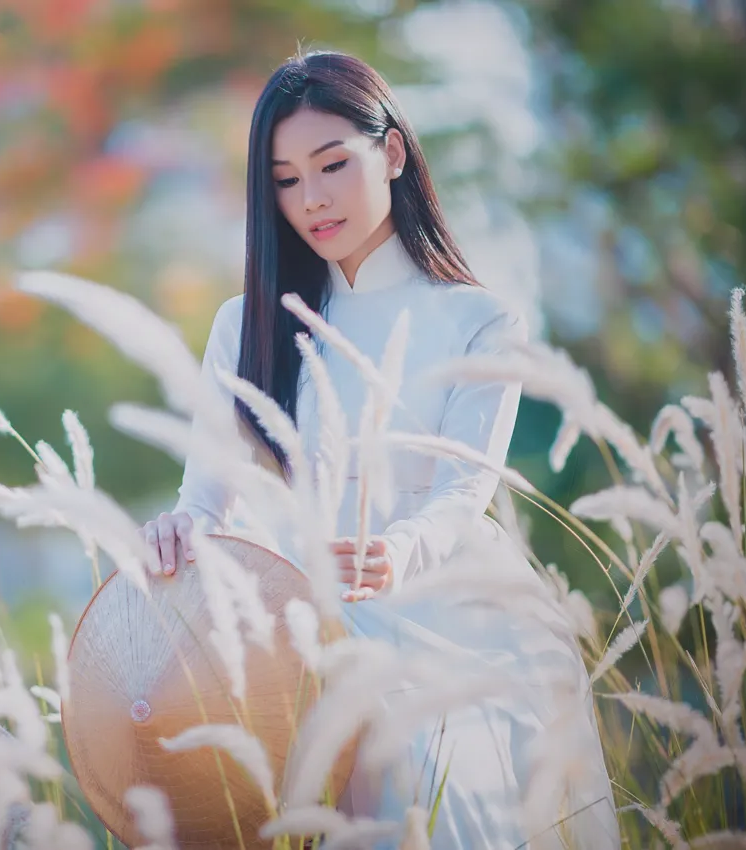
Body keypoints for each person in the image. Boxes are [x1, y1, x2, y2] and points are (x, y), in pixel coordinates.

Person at [141, 50, 620, 849]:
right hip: (303, 608)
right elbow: (203, 500)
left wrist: (395, 555)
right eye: (286, 180)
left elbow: (461, 493)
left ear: (392, 152)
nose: (312, 198)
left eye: (333, 165)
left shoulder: (479, 320)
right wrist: (177, 531)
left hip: (448, 613)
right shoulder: (247, 324)